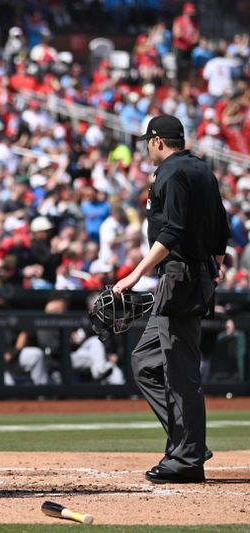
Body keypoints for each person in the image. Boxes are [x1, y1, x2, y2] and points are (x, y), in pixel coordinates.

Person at [113, 114, 229, 484]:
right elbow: (222, 226)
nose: (147, 147)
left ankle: (188, 457)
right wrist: (216, 264)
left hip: (179, 277)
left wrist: (136, 273)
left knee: (180, 373)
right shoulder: (202, 171)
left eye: (148, 141)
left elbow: (173, 230)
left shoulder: (171, 173)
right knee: (146, 363)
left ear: (158, 141)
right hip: (190, 275)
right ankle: (187, 440)